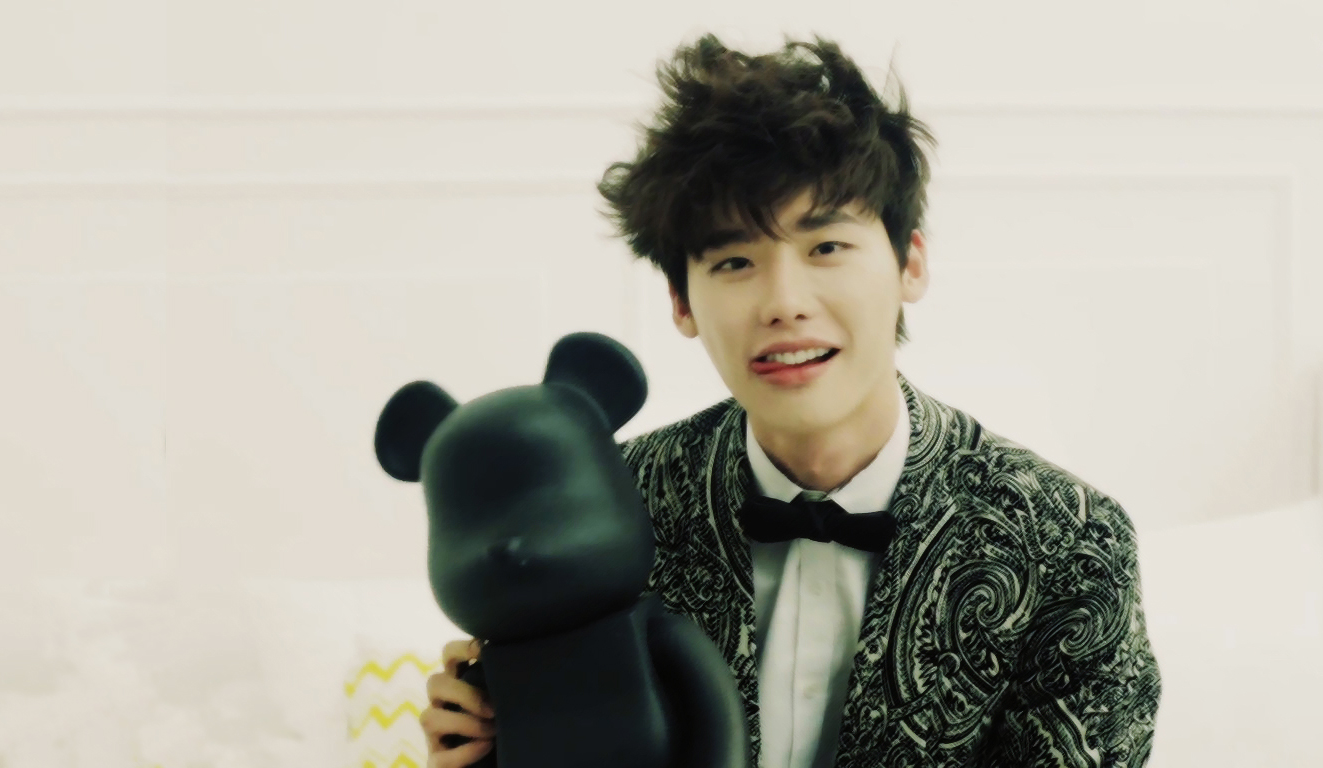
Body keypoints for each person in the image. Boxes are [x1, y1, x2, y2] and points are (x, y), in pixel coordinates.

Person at [419, 32, 1161, 768]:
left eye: (826, 247)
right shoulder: (602, 509)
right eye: (735, 261)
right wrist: (481, 747)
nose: (784, 303)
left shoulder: (1071, 542)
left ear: (910, 262)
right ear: (681, 301)